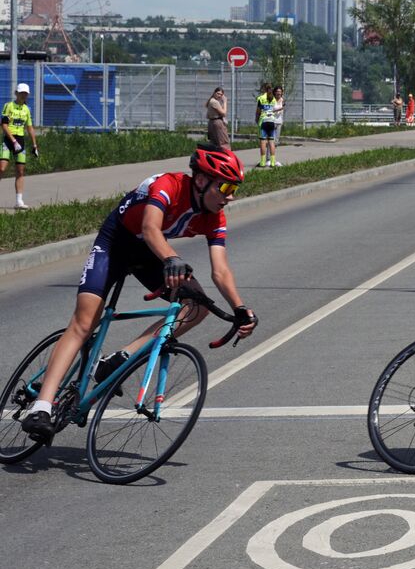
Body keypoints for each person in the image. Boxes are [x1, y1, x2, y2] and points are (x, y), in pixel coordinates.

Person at [19, 146, 259, 444]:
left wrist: (240, 308)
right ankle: (41, 406)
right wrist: (171, 258)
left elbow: (220, 270)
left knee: (197, 306)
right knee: (85, 322)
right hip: (116, 244)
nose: (231, 195)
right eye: (225, 186)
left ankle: (119, 359)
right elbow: (149, 227)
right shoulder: (169, 185)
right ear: (201, 181)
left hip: (150, 253)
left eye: (234, 188)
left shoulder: (215, 217)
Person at [1, 82, 40, 210]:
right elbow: (4, 125)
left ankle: (19, 201)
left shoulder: (26, 109)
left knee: (20, 171)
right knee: (2, 168)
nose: (23, 95)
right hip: (8, 140)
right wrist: (13, 141)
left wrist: (34, 145)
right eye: (21, 93)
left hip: (21, 141)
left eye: (25, 94)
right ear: (16, 93)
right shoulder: (8, 106)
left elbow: (29, 128)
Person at [257, 85, 283, 167]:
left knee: (269, 141)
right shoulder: (272, 99)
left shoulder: (262, 98)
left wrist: (257, 118)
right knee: (270, 141)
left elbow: (259, 110)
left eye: (280, 91)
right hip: (272, 121)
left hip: (270, 121)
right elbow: (271, 110)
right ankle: (269, 161)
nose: (278, 93)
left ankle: (265, 161)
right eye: (277, 91)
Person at [205, 87, 230, 151]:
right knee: (224, 142)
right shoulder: (214, 102)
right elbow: (224, 113)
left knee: (214, 142)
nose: (219, 96)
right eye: (218, 93)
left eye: (221, 94)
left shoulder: (212, 101)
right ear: (214, 93)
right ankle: (227, 157)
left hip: (212, 122)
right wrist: (225, 102)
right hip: (217, 122)